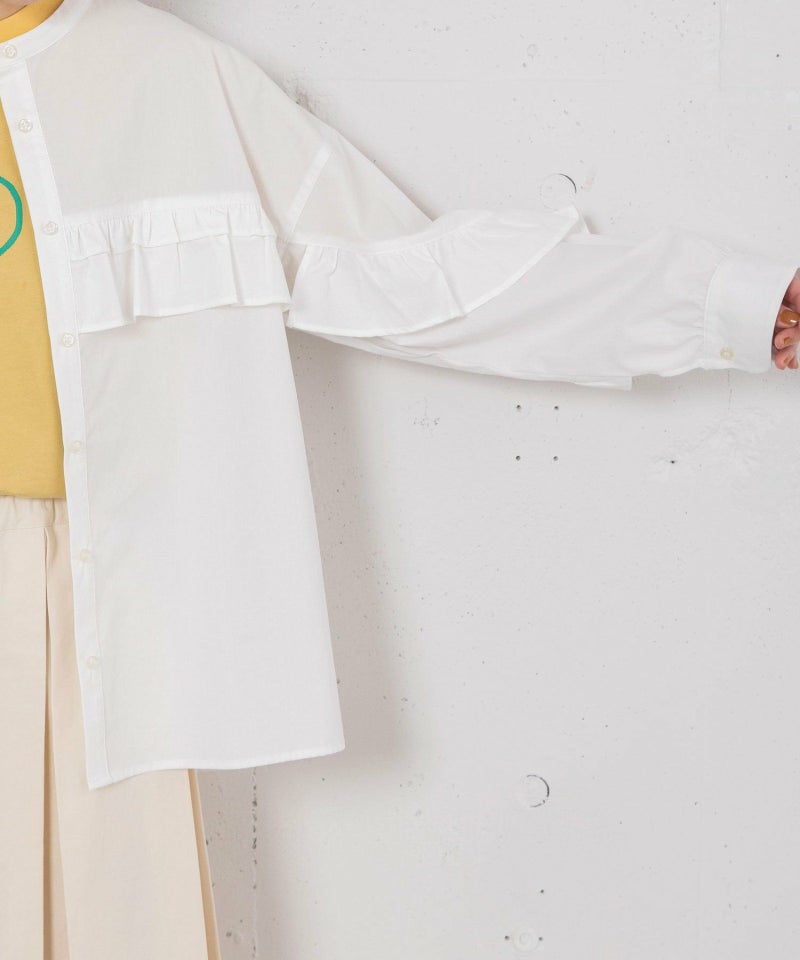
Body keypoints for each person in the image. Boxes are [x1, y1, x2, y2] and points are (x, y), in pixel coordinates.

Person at [1, 0, 798, 957]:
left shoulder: (166, 75)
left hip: (101, 607)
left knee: (121, 921)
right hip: (106, 600)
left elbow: (411, 276)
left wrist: (723, 305)